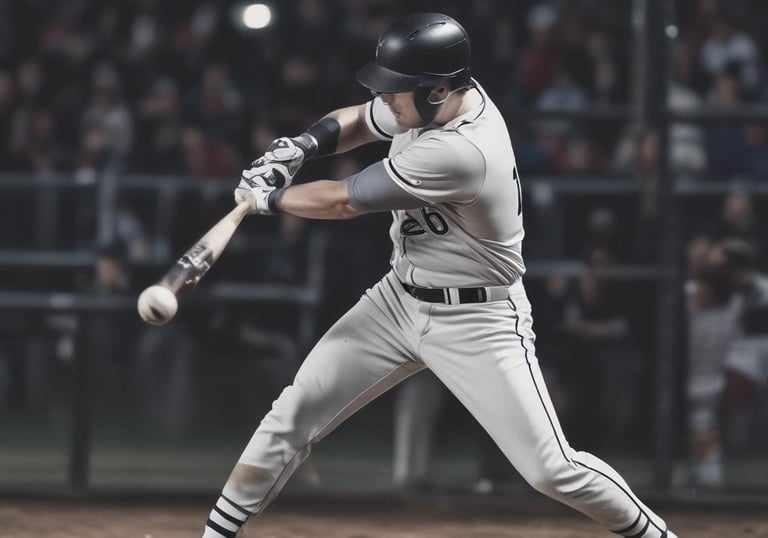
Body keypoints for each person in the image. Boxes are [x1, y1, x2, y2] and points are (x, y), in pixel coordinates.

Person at [201, 13, 679, 538]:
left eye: (397, 89)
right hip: (396, 301)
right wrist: (302, 146)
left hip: (479, 319)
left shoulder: (463, 150)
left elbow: (343, 200)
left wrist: (268, 198)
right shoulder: (428, 102)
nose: (386, 98)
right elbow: (359, 120)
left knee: (551, 469)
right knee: (293, 414)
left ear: (440, 90)